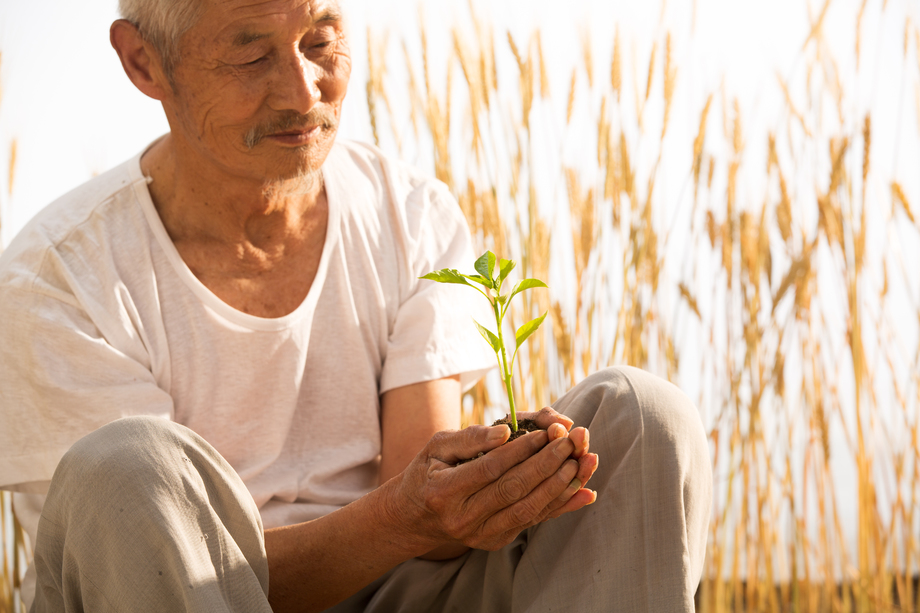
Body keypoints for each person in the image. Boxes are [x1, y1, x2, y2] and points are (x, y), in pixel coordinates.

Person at [0, 0, 712, 610]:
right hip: (180, 594)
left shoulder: (409, 214)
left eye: (321, 41)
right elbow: (148, 560)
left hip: (395, 585)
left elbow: (424, 529)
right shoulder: (56, 278)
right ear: (144, 62)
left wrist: (492, 482)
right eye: (251, 56)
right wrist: (402, 517)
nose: (303, 93)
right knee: (129, 466)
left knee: (643, 414)